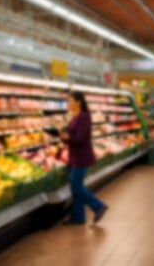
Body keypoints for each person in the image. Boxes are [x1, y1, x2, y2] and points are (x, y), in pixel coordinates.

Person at [60, 92, 108, 225]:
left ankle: (98, 206)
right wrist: (62, 137)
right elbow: (71, 137)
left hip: (81, 157)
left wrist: (67, 138)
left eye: (70, 100)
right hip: (73, 156)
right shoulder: (73, 117)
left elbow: (80, 139)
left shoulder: (84, 117)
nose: (68, 103)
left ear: (78, 102)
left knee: (77, 187)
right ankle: (78, 216)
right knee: (75, 187)